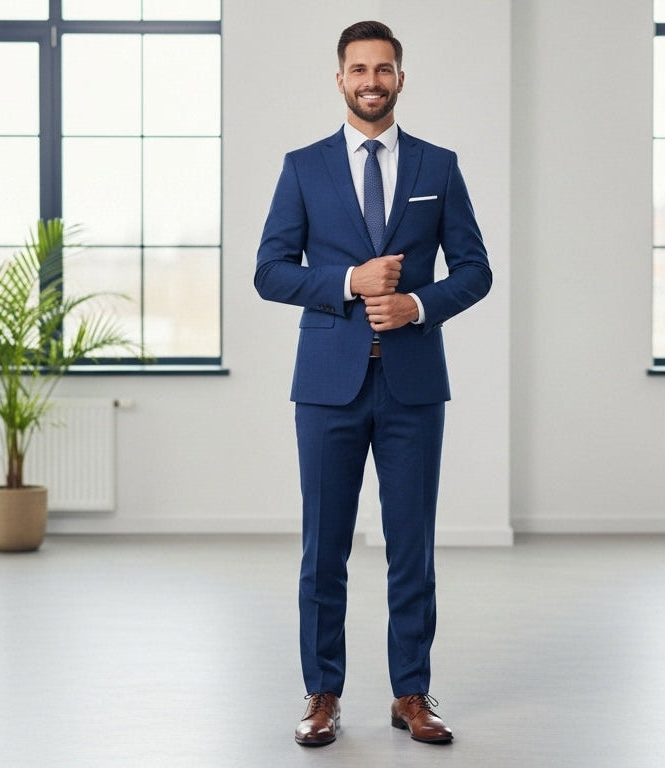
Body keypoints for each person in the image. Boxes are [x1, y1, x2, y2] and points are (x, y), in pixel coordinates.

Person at [254, 19, 492, 748]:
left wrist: (417, 304)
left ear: (399, 77)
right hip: (326, 387)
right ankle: (321, 695)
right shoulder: (303, 167)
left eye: (382, 69)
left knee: (410, 546)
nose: (370, 80)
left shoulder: (437, 167)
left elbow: (475, 269)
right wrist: (347, 283)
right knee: (323, 548)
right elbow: (268, 271)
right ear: (339, 79)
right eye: (358, 69)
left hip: (413, 387)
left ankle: (410, 694)